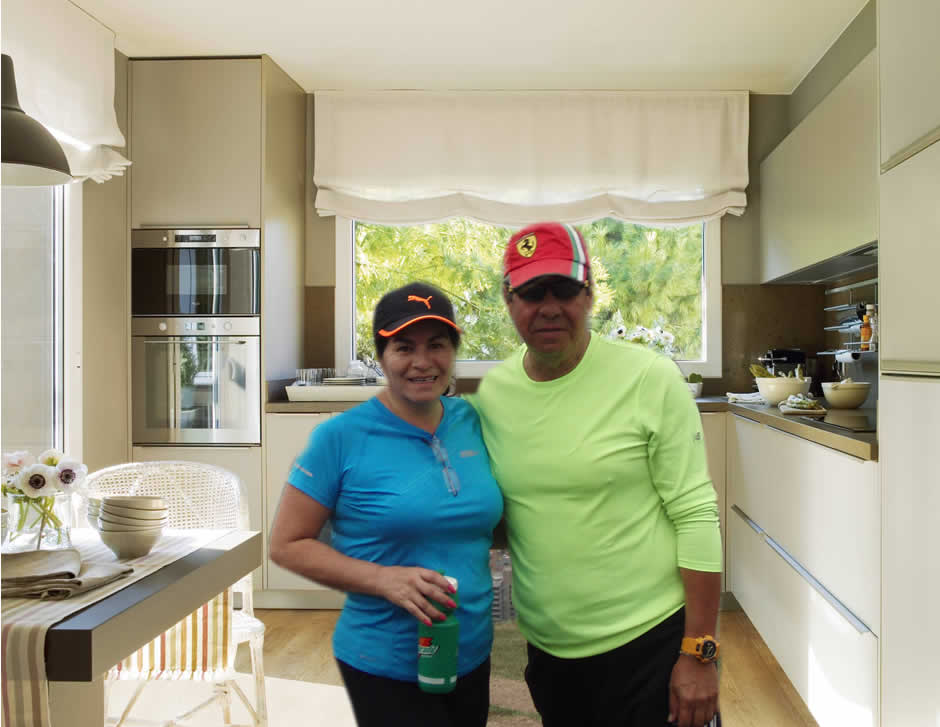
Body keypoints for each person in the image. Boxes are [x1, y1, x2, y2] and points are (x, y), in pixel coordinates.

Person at [468, 222, 723, 727]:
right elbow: (504, 512)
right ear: (508, 299)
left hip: (651, 645)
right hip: (550, 653)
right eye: (532, 292)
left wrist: (699, 651)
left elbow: (696, 514)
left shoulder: (649, 377)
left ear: (589, 294)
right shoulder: (494, 395)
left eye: (564, 289)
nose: (548, 307)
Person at [269, 281, 503, 727]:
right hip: (385, 660)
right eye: (404, 347)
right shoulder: (340, 437)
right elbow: (287, 544)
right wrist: (383, 579)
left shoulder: (471, 421)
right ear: (381, 356)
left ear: (453, 352)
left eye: (436, 345)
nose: (422, 361)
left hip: (470, 650)